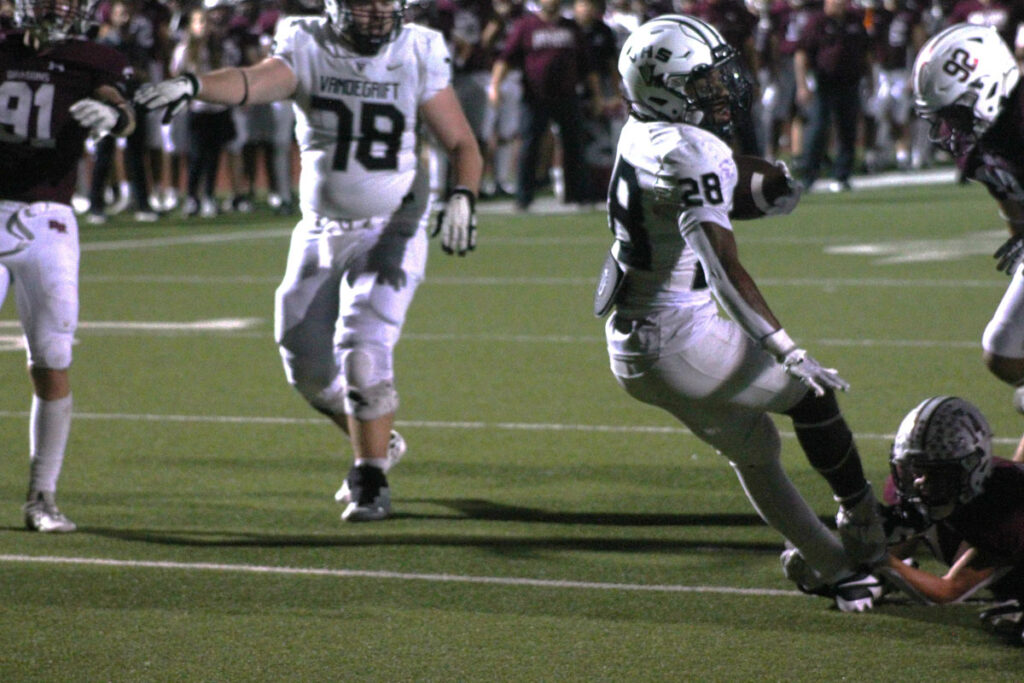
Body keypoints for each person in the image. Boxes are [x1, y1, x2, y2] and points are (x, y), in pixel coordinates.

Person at [135, 0, 482, 522]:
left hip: (392, 227)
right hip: (321, 228)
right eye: (364, 3)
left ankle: (370, 477)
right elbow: (252, 81)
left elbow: (461, 142)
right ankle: (379, 440)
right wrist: (193, 85)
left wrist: (463, 195)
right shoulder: (308, 43)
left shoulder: (417, 49)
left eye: (385, 2)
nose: (376, 13)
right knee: (304, 359)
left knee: (363, 343)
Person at [602, 13, 886, 611]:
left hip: (636, 342)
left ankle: (834, 567)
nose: (719, 88)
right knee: (812, 397)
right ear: (664, 89)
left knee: (754, 449)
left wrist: (753, 188)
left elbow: (693, 194)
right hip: (680, 338)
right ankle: (862, 518)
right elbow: (724, 266)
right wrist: (786, 348)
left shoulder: (640, 130)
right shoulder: (688, 150)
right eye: (701, 81)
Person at [0, 0, 135, 530]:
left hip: (48, 218)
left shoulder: (92, 59)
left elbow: (123, 108)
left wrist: (115, 117)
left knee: (52, 356)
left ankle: (42, 496)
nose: (60, 5)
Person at [910, 23, 1024, 460]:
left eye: (954, 114)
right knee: (1003, 352)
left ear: (987, 90)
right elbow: (1007, 193)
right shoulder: (980, 144)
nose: (947, 129)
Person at [876, 396, 1024, 643]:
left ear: (973, 468)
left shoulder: (1003, 506)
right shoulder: (921, 490)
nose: (921, 483)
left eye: (938, 472)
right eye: (917, 469)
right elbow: (900, 544)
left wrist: (879, 559)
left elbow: (948, 591)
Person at [488, 0, 603, 211]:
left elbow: (587, 65)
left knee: (574, 146)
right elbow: (506, 58)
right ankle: (524, 197)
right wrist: (495, 86)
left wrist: (597, 95)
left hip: (567, 96)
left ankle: (578, 196)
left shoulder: (571, 27)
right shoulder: (526, 26)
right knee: (529, 145)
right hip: (535, 97)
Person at [794, 0, 870, 191]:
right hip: (824, 82)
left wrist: (870, 78)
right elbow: (802, 53)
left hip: (850, 82)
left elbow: (865, 50)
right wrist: (802, 85)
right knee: (818, 128)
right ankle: (808, 175)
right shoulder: (817, 22)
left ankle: (842, 175)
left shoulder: (854, 21)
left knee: (848, 129)